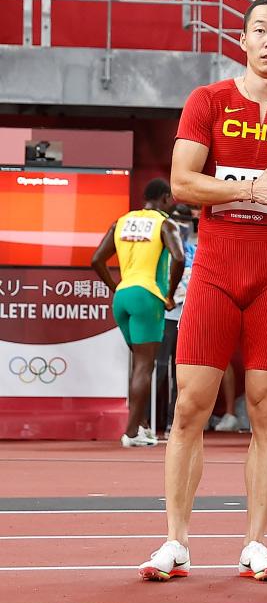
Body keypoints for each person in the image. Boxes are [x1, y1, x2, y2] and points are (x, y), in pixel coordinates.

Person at [137, 0, 267, 582]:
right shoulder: (209, 101)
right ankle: (175, 542)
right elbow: (182, 183)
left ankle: (256, 543)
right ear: (243, 40)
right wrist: (249, 190)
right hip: (216, 271)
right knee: (190, 406)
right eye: (261, 30)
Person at [91, 179, 184, 447]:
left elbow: (96, 260)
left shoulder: (121, 222)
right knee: (144, 366)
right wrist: (169, 295)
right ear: (165, 197)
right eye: (171, 198)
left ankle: (141, 425)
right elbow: (179, 258)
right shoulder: (165, 224)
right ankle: (131, 433)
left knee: (138, 365)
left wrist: (116, 288)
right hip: (148, 296)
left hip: (123, 296)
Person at [155, 204, 198, 437]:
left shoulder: (199, 242)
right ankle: (152, 420)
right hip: (168, 309)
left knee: (182, 371)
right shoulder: (164, 239)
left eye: (186, 221)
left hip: (191, 312)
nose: (182, 225)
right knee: (161, 366)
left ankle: (176, 421)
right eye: (177, 220)